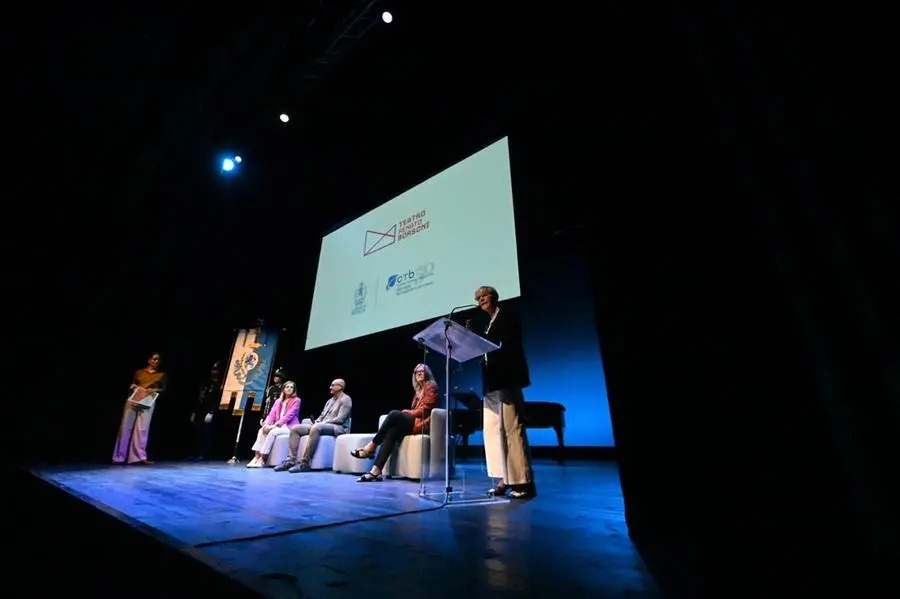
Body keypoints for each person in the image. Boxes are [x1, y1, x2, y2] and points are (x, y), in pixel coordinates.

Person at [475, 285, 535, 499]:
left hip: (507, 378)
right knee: (493, 430)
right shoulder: (488, 324)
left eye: (484, 295)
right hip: (491, 383)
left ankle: (522, 481)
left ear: (494, 296)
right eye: (478, 298)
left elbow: (510, 345)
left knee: (511, 428)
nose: (481, 299)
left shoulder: (507, 315)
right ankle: (503, 478)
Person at [350, 364, 438, 482]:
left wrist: (409, 412)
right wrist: (410, 412)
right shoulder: (418, 391)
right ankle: (376, 471)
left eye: (422, 371)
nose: (419, 373)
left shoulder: (431, 387)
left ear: (427, 373)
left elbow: (426, 409)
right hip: (416, 421)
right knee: (392, 431)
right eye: (416, 372)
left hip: (423, 424)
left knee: (394, 414)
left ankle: (371, 447)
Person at [274, 378, 352, 473]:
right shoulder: (330, 401)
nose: (330, 387)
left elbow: (340, 419)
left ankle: (305, 463)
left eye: (332, 385)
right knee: (295, 429)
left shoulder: (346, 399)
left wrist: (321, 423)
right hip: (323, 425)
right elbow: (322, 416)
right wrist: (317, 421)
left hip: (338, 427)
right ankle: (290, 460)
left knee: (316, 427)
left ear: (340, 387)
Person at [113, 352, 168, 465]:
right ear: (149, 360)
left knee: (142, 429)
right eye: (154, 359)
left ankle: (138, 457)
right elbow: (133, 384)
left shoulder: (161, 375)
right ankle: (119, 456)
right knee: (125, 427)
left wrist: (155, 390)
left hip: (148, 399)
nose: (156, 361)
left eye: (158, 360)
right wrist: (132, 387)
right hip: (135, 397)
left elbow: (164, 389)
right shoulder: (139, 372)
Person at [247, 380, 301, 468]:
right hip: (277, 425)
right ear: (283, 389)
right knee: (261, 431)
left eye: (291, 387)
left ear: (294, 390)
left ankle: (262, 458)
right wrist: (267, 425)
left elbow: (289, 415)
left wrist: (274, 426)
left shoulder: (297, 400)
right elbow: (271, 414)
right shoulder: (278, 401)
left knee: (272, 432)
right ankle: (256, 457)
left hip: (289, 426)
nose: (289, 389)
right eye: (287, 387)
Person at [188, 361, 223, 461]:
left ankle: (204, 454)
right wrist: (194, 411)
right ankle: (194, 452)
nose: (214, 371)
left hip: (210, 410)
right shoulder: (205, 382)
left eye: (216, 369)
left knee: (206, 433)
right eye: (213, 369)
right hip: (200, 409)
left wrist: (211, 412)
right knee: (196, 432)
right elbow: (199, 397)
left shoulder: (220, 384)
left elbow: (217, 399)